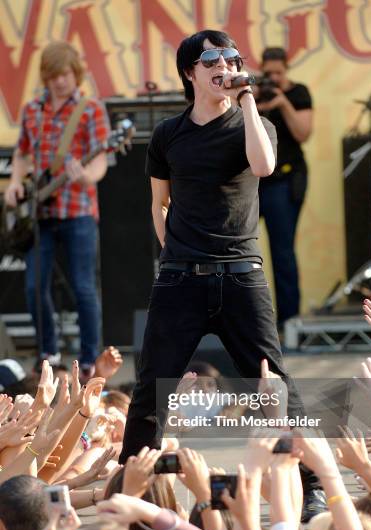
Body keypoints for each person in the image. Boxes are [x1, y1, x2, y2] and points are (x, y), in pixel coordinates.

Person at [119, 29, 304, 464]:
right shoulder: (168, 134)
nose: (225, 66)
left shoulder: (256, 125)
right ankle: (132, 486)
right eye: (212, 61)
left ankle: (310, 483)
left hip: (241, 274)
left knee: (271, 379)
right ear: (190, 73)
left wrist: (248, 101)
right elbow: (158, 204)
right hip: (182, 277)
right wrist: (174, 254)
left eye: (232, 58)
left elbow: (263, 165)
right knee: (152, 386)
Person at [4, 41, 110, 380]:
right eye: (54, 75)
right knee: (35, 287)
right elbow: (21, 154)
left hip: (77, 209)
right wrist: (16, 183)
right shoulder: (33, 109)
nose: (60, 82)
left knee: (83, 287)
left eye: (65, 74)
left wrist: (85, 179)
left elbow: (100, 162)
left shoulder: (90, 109)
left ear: (74, 74)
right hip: (40, 214)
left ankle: (90, 359)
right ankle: (48, 352)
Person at [256, 47, 313, 327]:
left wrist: (282, 104)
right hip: (253, 183)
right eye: (268, 74)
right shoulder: (251, 93)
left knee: (282, 253)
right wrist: (251, 103)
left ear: (287, 69)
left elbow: (303, 133)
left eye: (278, 73)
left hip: (285, 180)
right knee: (239, 251)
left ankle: (288, 324)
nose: (274, 78)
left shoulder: (297, 93)